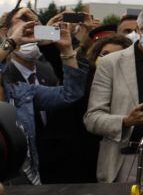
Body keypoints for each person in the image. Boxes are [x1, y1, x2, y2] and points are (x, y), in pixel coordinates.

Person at [84, 2, 143, 184]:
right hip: (123, 158)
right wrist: (125, 121)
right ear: (138, 30)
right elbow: (92, 118)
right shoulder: (111, 64)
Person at [0, 17, 85, 184]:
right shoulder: (9, 45)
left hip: (23, 181)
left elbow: (70, 94)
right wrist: (12, 41)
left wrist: (67, 50)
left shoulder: (21, 92)